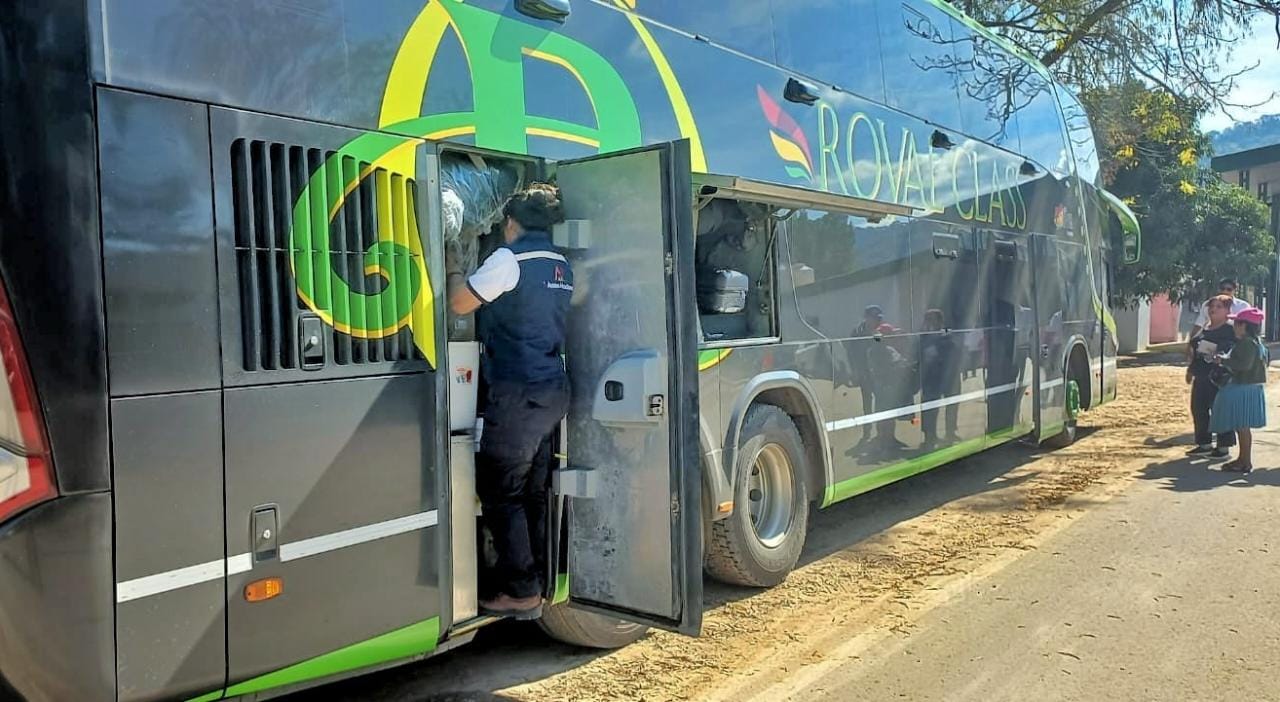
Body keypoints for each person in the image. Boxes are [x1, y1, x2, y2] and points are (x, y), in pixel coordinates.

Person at [447, 183, 574, 619]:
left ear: (511, 224)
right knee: (533, 492)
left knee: (501, 490)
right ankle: (536, 582)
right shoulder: (560, 264)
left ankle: (520, 590)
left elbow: (461, 303)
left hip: (518, 392)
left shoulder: (508, 259)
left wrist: (452, 270)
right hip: (551, 388)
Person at [1209, 306, 1269, 474]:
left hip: (1244, 387)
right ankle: (1242, 459)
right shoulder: (1255, 342)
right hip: (1249, 387)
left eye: (1236, 322)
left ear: (1244, 325)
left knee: (1242, 427)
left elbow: (1244, 365)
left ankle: (1245, 461)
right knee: (1242, 427)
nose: (1234, 325)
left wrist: (1223, 362)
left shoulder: (1246, 343)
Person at [1185, 294, 1236, 457]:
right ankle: (1204, 443)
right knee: (1198, 408)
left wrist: (1219, 353)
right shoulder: (1205, 328)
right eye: (1211, 306)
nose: (1213, 309)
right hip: (1201, 374)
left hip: (1218, 377)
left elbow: (1231, 351)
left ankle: (1223, 446)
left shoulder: (1230, 330)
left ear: (1228, 310)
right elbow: (1195, 351)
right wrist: (1190, 370)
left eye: (1218, 307)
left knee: (1219, 410)